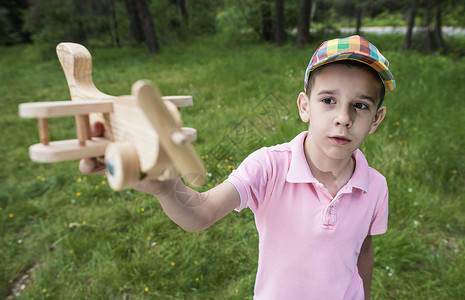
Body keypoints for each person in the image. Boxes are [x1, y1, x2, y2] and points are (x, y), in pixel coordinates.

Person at [80, 35, 396, 300]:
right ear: (304, 106)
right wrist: (165, 187)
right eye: (328, 100)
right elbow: (201, 212)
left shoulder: (375, 185)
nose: (344, 117)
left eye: (360, 105)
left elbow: (363, 249)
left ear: (376, 119)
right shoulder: (269, 166)